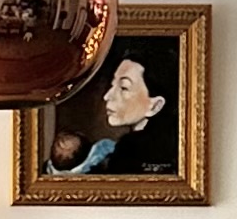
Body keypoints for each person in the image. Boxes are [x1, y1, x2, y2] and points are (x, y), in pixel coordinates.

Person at [50, 46, 173, 178]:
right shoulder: (128, 149)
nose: (107, 96)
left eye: (124, 87)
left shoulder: (135, 154)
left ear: (155, 106)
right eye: (112, 85)